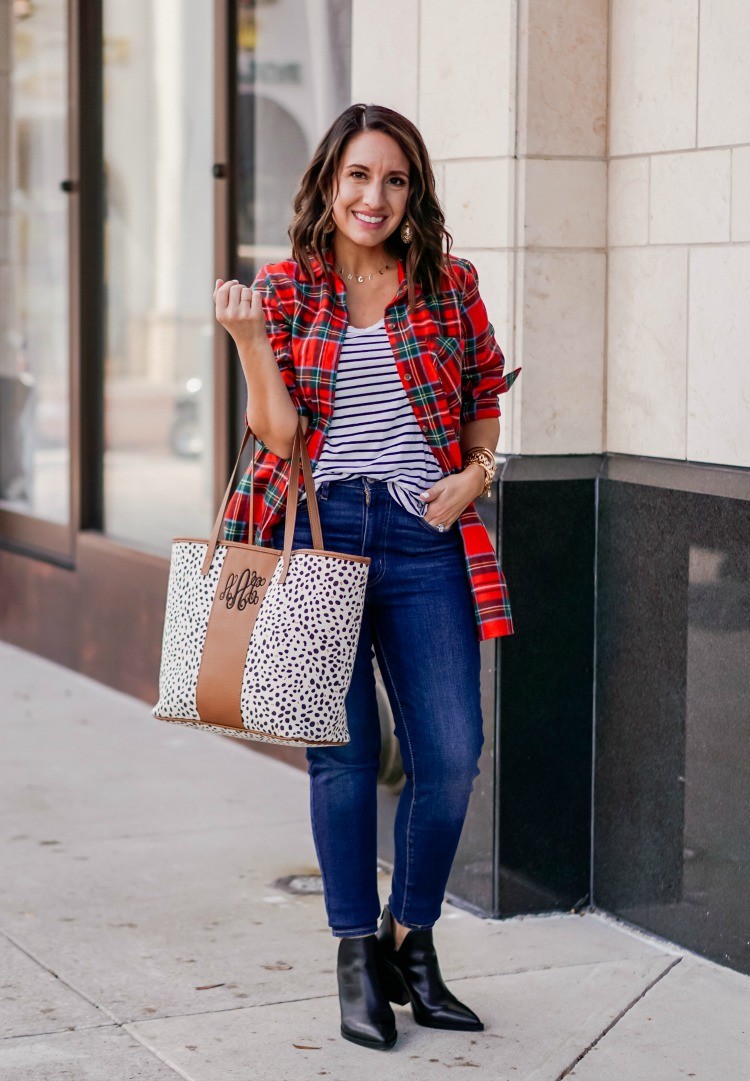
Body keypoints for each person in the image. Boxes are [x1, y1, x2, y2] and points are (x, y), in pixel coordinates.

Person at [214, 103, 520, 1052]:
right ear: (329, 183)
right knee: (342, 756)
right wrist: (250, 343)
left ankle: (409, 941)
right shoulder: (288, 289)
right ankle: (356, 952)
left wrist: (473, 478)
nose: (373, 197)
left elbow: (481, 410)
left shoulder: (450, 285)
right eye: (358, 176)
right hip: (320, 530)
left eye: (392, 179)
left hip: (426, 535)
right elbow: (281, 438)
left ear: (411, 191)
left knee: (453, 751)